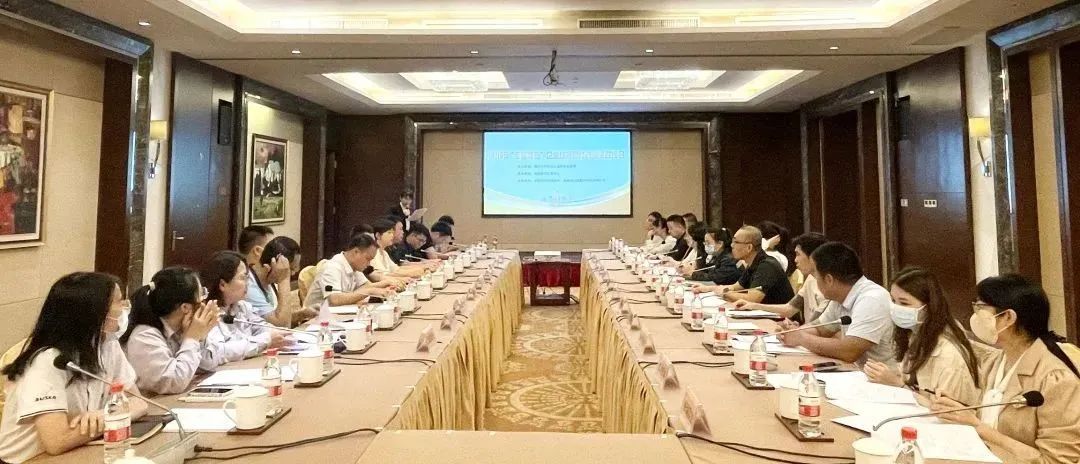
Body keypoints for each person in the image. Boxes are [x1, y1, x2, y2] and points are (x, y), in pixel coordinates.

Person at [931, 274, 1079, 464]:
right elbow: (994, 422)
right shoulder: (999, 359)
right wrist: (961, 411)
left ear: (1008, 317)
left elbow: (1057, 461)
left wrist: (978, 427)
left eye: (980, 307)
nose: (974, 315)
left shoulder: (1056, 377)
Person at [0, 273, 148, 462]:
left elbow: (139, 402)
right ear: (94, 311)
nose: (125, 307)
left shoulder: (107, 344)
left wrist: (106, 416)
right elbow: (56, 441)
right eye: (119, 302)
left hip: (77, 453)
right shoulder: (48, 361)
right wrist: (110, 420)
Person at [861, 267, 981, 407]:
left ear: (928, 307)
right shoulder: (915, 333)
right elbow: (913, 382)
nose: (895, 308)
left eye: (904, 303)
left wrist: (897, 384)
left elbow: (948, 410)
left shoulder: (948, 355)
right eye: (893, 301)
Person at [777, 242, 895, 367]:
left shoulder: (872, 299)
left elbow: (850, 351)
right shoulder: (840, 296)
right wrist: (793, 332)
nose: (814, 280)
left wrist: (801, 338)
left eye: (815, 275)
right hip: (857, 372)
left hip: (880, 377)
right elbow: (820, 329)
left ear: (829, 280)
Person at [122, 267, 221, 394]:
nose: (204, 302)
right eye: (202, 294)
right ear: (185, 307)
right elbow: (174, 382)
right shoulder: (144, 336)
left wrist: (201, 336)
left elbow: (209, 365)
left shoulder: (180, 329)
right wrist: (192, 339)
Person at [202, 251, 288, 369]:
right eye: (243, 278)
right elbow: (219, 352)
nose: (248, 284)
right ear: (222, 284)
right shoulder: (207, 313)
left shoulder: (242, 307)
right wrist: (264, 340)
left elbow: (263, 328)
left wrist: (281, 335)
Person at [733, 233, 830, 323]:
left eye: (798, 254)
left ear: (813, 256)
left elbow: (817, 327)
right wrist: (753, 306)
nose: (795, 260)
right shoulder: (810, 279)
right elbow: (789, 309)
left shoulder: (829, 287)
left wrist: (797, 329)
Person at [693, 226, 794, 305]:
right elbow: (736, 286)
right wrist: (710, 289)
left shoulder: (766, 266)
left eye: (736, 242)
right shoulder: (752, 263)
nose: (731, 245)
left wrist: (724, 293)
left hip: (782, 320)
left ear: (749, 247)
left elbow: (752, 299)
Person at [303, 233, 394, 309]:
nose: (369, 264)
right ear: (356, 252)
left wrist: (384, 287)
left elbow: (366, 286)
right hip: (316, 318)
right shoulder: (332, 267)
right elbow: (334, 299)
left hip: (338, 315)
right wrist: (370, 291)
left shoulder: (354, 266)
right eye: (368, 259)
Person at [245, 236, 308, 327]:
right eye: (290, 269)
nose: (293, 274)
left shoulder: (271, 281)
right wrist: (284, 279)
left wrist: (302, 314)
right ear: (274, 264)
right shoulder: (248, 287)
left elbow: (273, 317)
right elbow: (282, 325)